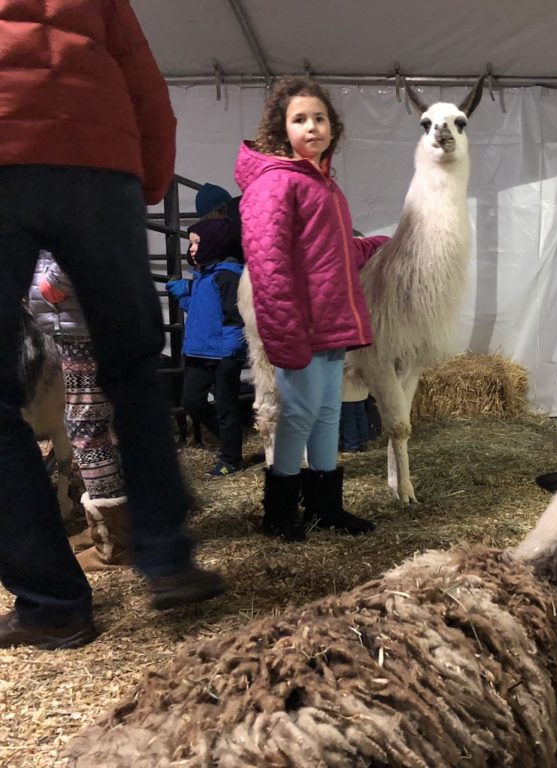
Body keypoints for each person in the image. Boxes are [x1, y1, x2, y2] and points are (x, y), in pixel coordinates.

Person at [0, 0, 226, 650]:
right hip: (99, 167)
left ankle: (52, 602)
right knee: (133, 366)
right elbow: (143, 80)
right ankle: (169, 558)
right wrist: (148, 181)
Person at [236, 77, 388, 541]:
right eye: (299, 119)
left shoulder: (323, 185)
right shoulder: (276, 183)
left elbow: (332, 255)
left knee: (325, 412)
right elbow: (269, 264)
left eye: (319, 118)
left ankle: (324, 508)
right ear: (282, 130)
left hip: (330, 322)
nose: (312, 127)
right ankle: (279, 514)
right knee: (299, 413)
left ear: (332, 127)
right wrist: (285, 335)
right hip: (301, 326)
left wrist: (376, 246)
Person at [28, 252, 133, 572]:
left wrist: (46, 289)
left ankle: (115, 544)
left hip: (80, 328)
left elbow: (77, 246)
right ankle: (109, 529)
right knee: (99, 426)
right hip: (80, 324)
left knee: (88, 429)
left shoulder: (67, 202)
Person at [167, 217, 247, 477]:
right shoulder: (202, 276)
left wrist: (231, 351)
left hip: (223, 353)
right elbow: (204, 311)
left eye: (196, 243)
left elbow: (234, 317)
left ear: (213, 244)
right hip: (198, 352)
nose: (191, 249)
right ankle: (230, 438)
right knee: (191, 401)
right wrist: (185, 298)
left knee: (226, 405)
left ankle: (230, 458)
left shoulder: (227, 276)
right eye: (190, 244)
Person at [340, 363, 370, 453]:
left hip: (348, 389)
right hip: (359, 389)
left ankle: (351, 445)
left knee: (349, 419)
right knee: (360, 415)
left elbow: (345, 363)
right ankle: (363, 442)